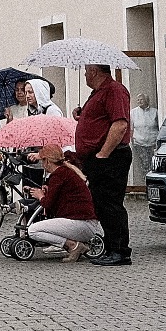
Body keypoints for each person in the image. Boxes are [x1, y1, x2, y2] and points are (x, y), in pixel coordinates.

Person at [74, 62, 133, 266]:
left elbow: (120, 124)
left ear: (94, 71)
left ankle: (120, 251)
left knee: (110, 204)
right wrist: (82, 116)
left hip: (111, 157)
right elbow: (101, 119)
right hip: (99, 157)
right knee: (101, 204)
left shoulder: (114, 90)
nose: (84, 75)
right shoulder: (99, 92)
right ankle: (110, 248)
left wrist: (103, 154)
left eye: (85, 71)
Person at [23, 141, 101, 262]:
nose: (42, 164)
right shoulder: (66, 172)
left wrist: (40, 196)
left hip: (80, 223)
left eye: (42, 161)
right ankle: (74, 244)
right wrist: (47, 191)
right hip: (86, 223)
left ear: (47, 161)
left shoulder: (58, 175)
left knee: (33, 230)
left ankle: (72, 245)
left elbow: (47, 204)